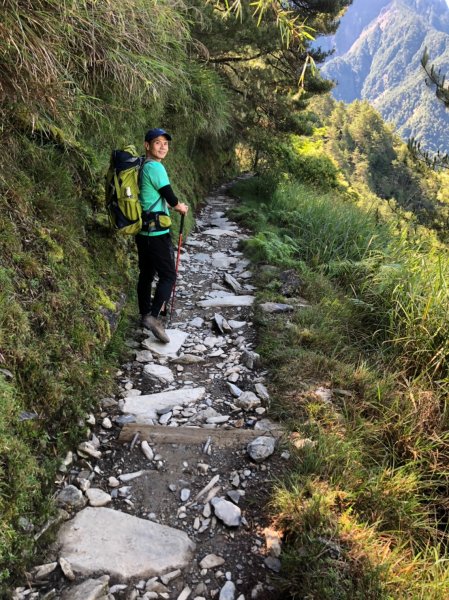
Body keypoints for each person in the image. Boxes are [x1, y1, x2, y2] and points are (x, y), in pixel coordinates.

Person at [136, 128, 188, 343]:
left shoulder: (142, 165)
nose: (163, 147)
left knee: (147, 273)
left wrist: (168, 204)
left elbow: (151, 195)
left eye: (165, 143)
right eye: (157, 143)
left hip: (142, 230)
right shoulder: (156, 167)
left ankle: (144, 314)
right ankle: (154, 317)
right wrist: (179, 207)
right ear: (147, 145)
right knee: (168, 275)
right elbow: (168, 194)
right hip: (156, 232)